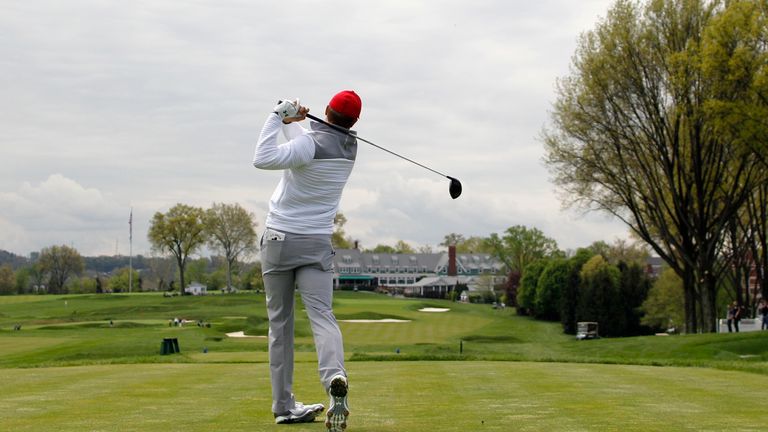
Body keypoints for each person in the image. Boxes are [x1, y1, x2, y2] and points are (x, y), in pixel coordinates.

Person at [253, 90, 360, 430]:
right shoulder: (349, 149)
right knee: (323, 317)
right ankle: (334, 378)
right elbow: (308, 146)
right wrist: (293, 123)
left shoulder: (310, 145)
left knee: (280, 325)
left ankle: (283, 405)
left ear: (327, 110)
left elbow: (263, 158)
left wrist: (276, 117)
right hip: (315, 244)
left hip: (280, 242)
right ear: (354, 121)